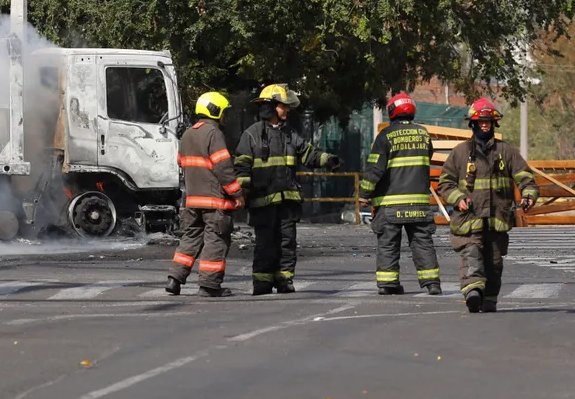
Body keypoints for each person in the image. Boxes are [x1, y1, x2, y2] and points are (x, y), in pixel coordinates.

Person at [234, 84, 341, 296]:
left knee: (287, 243)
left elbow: (308, 154)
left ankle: (285, 280)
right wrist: (242, 193)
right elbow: (242, 167)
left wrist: (328, 160)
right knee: (265, 245)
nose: (287, 110)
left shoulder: (291, 135)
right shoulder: (252, 135)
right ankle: (262, 283)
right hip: (262, 203)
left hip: (287, 203)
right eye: (284, 106)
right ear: (272, 107)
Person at [437, 98, 538, 313]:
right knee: (471, 252)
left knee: (494, 263)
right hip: (469, 219)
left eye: (488, 122)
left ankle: (489, 299)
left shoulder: (506, 152)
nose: (485, 125)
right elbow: (445, 183)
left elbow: (526, 178)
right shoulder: (460, 153)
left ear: (494, 124)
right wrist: (458, 198)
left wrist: (529, 196)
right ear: (472, 124)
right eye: (481, 121)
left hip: (497, 219)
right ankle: (473, 292)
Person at [360, 93, 442, 296]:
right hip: (419, 205)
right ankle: (432, 283)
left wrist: (364, 194)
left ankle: (388, 284)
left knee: (388, 243)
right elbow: (428, 157)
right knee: (422, 243)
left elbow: (375, 169)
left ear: (391, 112)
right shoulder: (423, 134)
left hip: (390, 204)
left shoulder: (385, 136)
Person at [165, 91, 244, 298]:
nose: (224, 117)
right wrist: (237, 194)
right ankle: (209, 285)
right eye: (223, 112)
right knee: (215, 240)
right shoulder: (214, 133)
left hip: (192, 201)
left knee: (190, 238)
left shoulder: (188, 133)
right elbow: (223, 168)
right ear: (215, 110)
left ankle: (174, 278)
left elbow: (181, 161)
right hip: (214, 202)